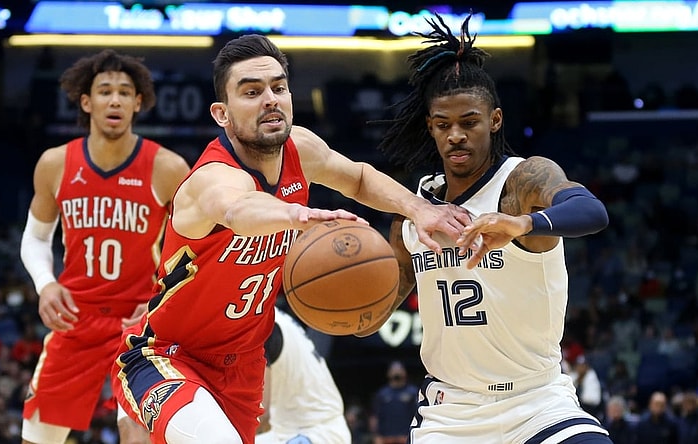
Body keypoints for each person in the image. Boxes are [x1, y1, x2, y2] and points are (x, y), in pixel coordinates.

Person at [111, 33, 471, 444]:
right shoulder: (213, 177)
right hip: (165, 355)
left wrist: (419, 208)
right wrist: (296, 214)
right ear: (222, 114)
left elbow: (358, 178)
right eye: (251, 92)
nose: (270, 100)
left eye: (278, 88)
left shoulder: (301, 147)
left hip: (243, 365)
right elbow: (238, 209)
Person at [365, 13, 612, 443]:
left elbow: (591, 211)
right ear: (430, 127)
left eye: (469, 122)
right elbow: (370, 318)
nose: (456, 135)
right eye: (443, 125)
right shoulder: (413, 215)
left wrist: (522, 223)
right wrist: (339, 298)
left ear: (495, 120)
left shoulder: (521, 183)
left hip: (537, 403)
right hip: (451, 414)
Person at [18, 49, 190, 444]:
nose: (115, 100)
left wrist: (164, 300)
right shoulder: (55, 164)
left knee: (137, 432)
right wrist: (45, 284)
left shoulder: (167, 168)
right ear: (86, 102)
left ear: (138, 103)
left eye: (125, 92)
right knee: (36, 438)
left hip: (140, 322)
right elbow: (36, 237)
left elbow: (196, 247)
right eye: (105, 91)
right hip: (75, 317)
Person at [255, 306, 351, 444]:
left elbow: (260, 413)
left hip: (315, 433)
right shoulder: (269, 314)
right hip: (292, 431)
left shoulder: (260, 325)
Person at [369, 360, 419, 444]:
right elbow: (374, 416)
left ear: (405, 372)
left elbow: (419, 415)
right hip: (385, 438)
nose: (396, 371)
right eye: (394, 369)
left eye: (399, 369)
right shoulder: (382, 394)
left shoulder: (413, 392)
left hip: (407, 437)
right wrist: (375, 435)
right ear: (388, 373)